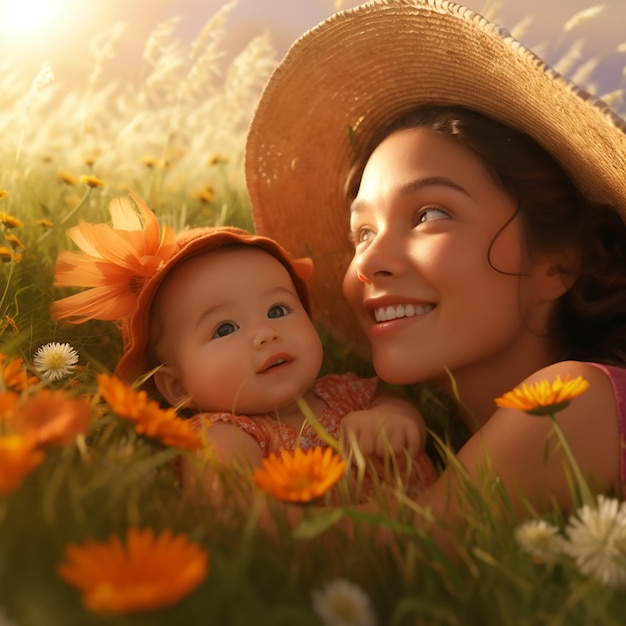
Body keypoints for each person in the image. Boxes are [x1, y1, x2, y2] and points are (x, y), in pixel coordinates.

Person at [244, 0, 626, 541]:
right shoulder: (434, 433)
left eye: (430, 214)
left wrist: (225, 466)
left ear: (559, 262)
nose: (370, 262)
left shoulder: (573, 401)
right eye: (362, 233)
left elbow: (381, 562)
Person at [51, 207, 437, 503]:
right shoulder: (220, 438)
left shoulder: (344, 393)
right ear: (177, 385)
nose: (266, 334)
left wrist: (394, 419)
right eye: (225, 329)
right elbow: (249, 518)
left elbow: (391, 402)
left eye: (278, 311)